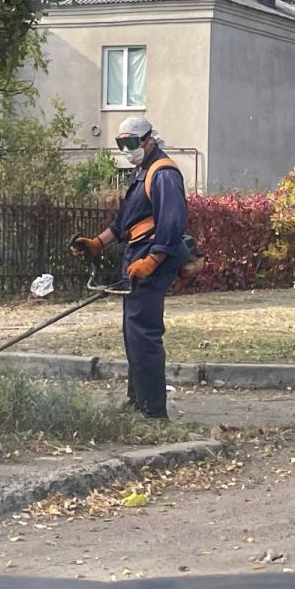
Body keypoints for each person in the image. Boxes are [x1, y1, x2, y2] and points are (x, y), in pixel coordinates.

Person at [69, 117, 187, 420]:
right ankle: (138, 403)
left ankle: (153, 412)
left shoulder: (163, 173)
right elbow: (124, 225)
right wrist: (97, 243)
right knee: (133, 334)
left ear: (149, 140)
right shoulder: (141, 173)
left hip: (150, 261)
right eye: (122, 144)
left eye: (131, 143)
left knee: (144, 335)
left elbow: (171, 224)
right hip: (137, 259)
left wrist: (153, 261)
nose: (127, 149)